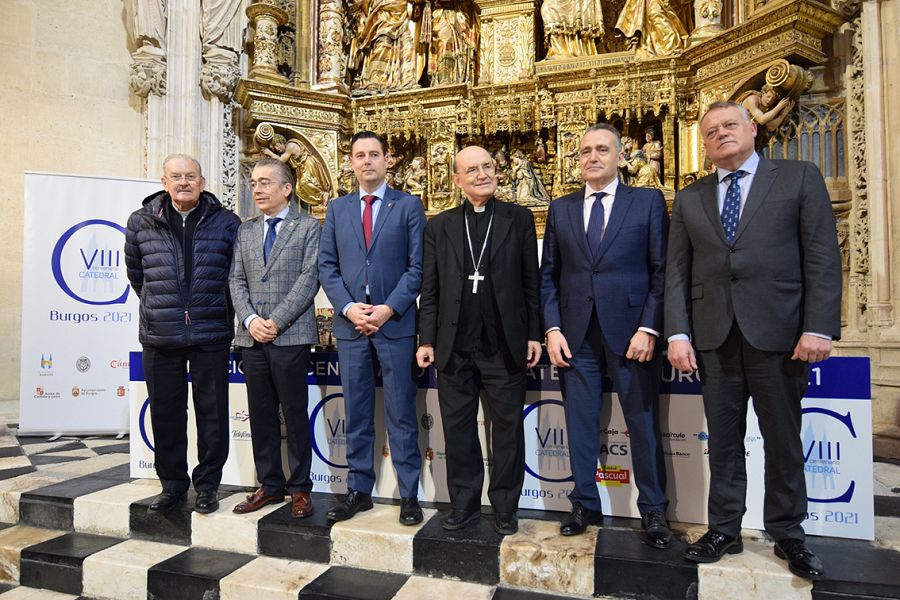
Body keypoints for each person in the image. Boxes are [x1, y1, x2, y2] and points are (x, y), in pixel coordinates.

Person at [665, 101, 841, 579]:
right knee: (722, 440)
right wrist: (678, 332)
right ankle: (724, 528)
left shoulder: (798, 177)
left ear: (752, 130)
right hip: (714, 336)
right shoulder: (690, 198)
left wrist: (818, 326)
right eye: (711, 131)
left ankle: (788, 532)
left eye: (730, 125)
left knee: (782, 438)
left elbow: (821, 255)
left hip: (779, 334)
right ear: (703, 145)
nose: (721, 134)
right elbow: (677, 271)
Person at [539, 124, 671, 547]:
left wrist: (649, 327)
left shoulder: (647, 201)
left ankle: (653, 509)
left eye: (601, 150)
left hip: (633, 335)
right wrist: (552, 328)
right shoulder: (561, 208)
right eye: (585, 151)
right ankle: (583, 503)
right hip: (575, 336)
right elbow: (549, 276)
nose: (592, 157)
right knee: (579, 425)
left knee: (642, 424)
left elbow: (662, 270)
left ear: (620, 156)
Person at [416, 145, 542, 536]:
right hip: (454, 345)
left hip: (504, 344)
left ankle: (505, 506)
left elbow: (531, 284)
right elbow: (430, 289)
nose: (482, 174)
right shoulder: (439, 226)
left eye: (487, 166)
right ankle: (465, 504)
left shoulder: (518, 218)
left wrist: (534, 333)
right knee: (457, 430)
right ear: (457, 179)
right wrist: (426, 339)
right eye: (471, 170)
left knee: (507, 429)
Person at [318, 131, 426, 525]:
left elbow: (417, 267)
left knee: (401, 413)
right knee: (357, 412)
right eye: (360, 155)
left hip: (394, 324)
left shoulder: (409, 205)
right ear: (350, 162)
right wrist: (349, 308)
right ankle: (358, 490)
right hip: (351, 327)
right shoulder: (337, 209)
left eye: (374, 154)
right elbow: (326, 266)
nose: (367, 161)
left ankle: (409, 494)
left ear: (387, 160)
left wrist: (387, 309)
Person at [124, 154, 241, 514]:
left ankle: (207, 486)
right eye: (176, 177)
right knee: (165, 415)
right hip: (161, 333)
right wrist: (166, 307)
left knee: (213, 415)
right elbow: (137, 276)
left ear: (202, 182)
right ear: (164, 182)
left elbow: (235, 276)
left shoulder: (227, 222)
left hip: (211, 331)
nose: (183, 182)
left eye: (190, 176)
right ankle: (172, 485)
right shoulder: (140, 221)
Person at [229, 158, 321, 518]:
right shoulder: (246, 230)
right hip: (251, 338)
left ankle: (300, 488)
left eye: (265, 182)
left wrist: (276, 321)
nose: (257, 189)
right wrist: (251, 319)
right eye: (254, 183)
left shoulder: (308, 227)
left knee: (294, 414)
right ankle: (269, 484)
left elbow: (309, 279)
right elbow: (236, 280)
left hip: (290, 336)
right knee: (261, 414)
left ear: (287, 188)